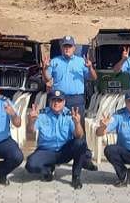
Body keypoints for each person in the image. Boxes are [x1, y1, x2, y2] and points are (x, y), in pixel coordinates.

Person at [42, 35, 98, 171]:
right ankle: (53, 158)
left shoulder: (81, 62)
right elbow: (47, 79)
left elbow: (94, 78)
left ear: (74, 48)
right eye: (64, 46)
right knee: (56, 127)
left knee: (79, 128)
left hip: (76, 99)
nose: (67, 49)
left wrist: (90, 67)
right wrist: (44, 69)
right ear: (62, 48)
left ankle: (85, 158)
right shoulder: (54, 62)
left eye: (69, 46)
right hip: (58, 100)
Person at [25, 89, 87, 189]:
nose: (56, 103)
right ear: (50, 101)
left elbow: (79, 135)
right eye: (54, 100)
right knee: (30, 165)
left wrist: (77, 124)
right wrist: (31, 121)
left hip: (64, 151)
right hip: (46, 151)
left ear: (64, 102)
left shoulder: (70, 115)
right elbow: (30, 132)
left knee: (80, 143)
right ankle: (47, 171)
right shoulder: (42, 114)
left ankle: (76, 177)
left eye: (59, 101)